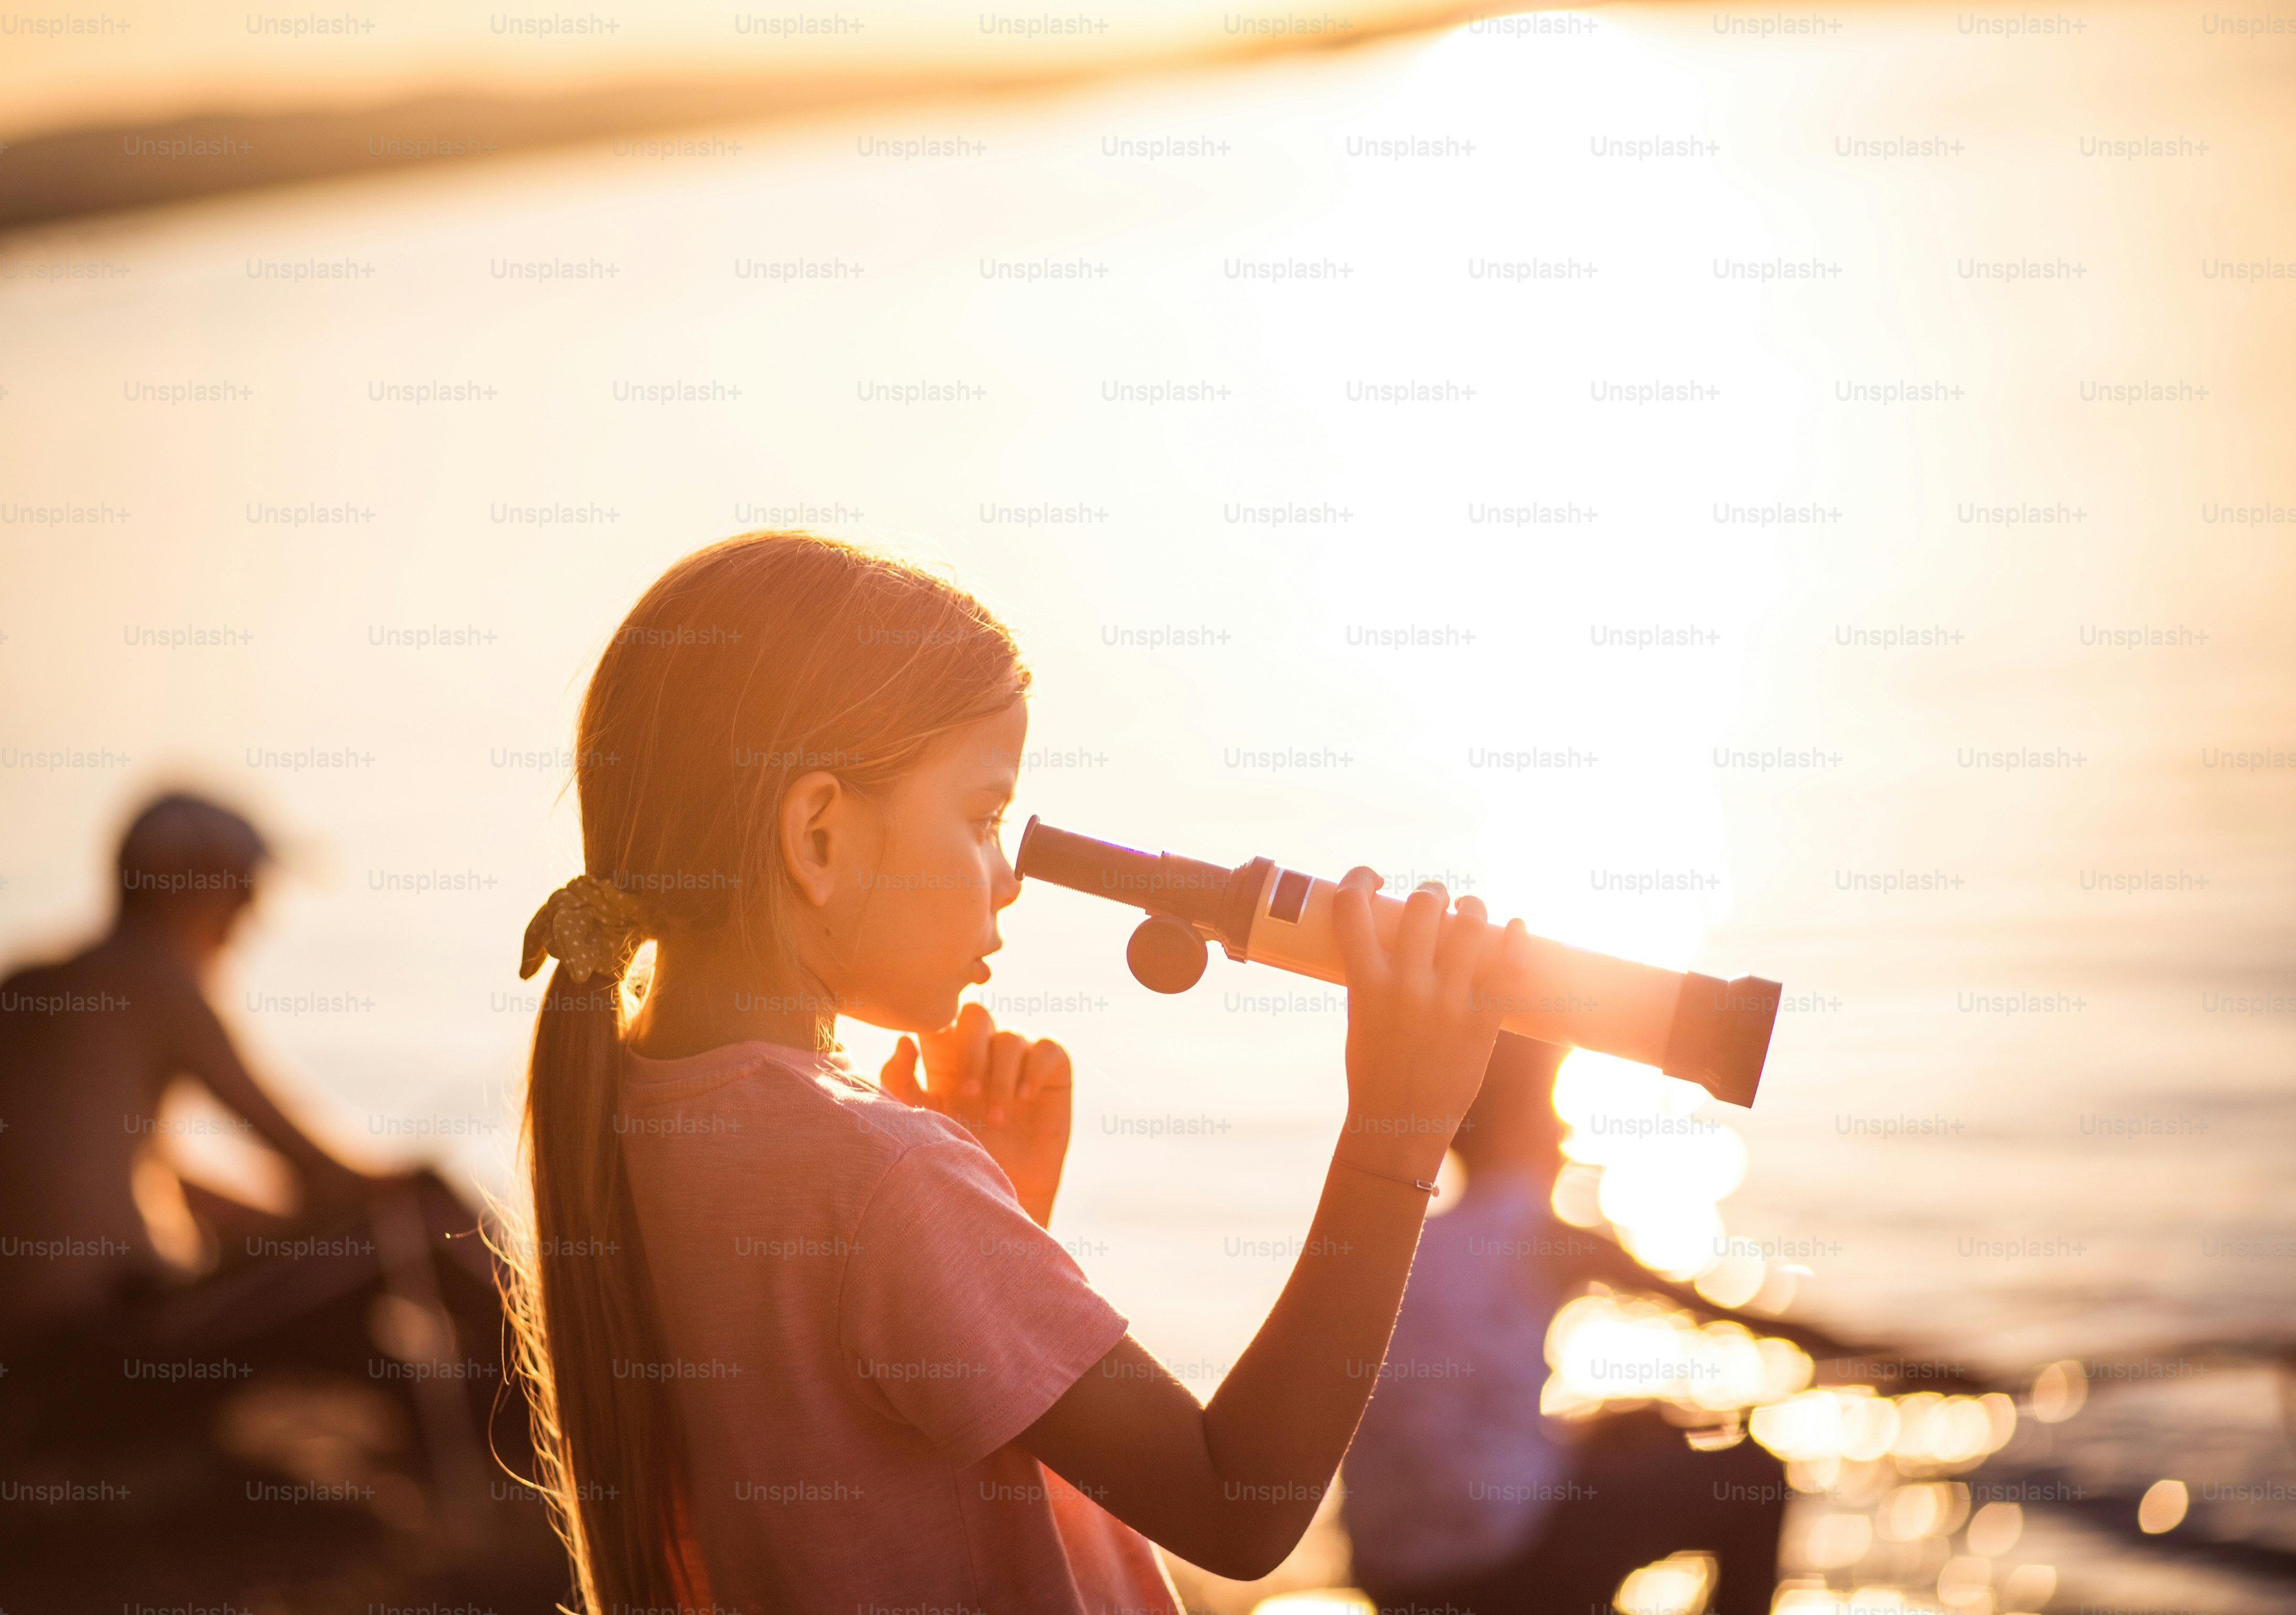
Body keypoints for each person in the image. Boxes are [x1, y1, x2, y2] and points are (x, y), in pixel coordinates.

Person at [502, 531, 1530, 1613]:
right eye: (982, 819)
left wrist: (997, 1232)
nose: (1007, 880)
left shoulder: (623, 1109)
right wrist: (1396, 1136)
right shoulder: (886, 1179)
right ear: (816, 836)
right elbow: (1240, 1503)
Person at [1342, 1030, 1834, 1615]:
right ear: (1515, 1121)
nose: (1562, 1134)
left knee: (1625, 1432)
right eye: (1548, 1111)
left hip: (1388, 1581)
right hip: (1505, 1570)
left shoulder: (1405, 1244)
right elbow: (1734, 1317)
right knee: (1754, 1475)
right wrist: (1884, 1357)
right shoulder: (1542, 1234)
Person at [0, 793, 386, 1357]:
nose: (247, 921)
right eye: (243, 891)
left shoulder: (21, 986)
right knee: (405, 1224)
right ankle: (522, 1402)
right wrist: (390, 1185)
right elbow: (312, 1164)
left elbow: (93, 1168)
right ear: (188, 889)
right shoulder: (156, 982)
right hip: (93, 1343)